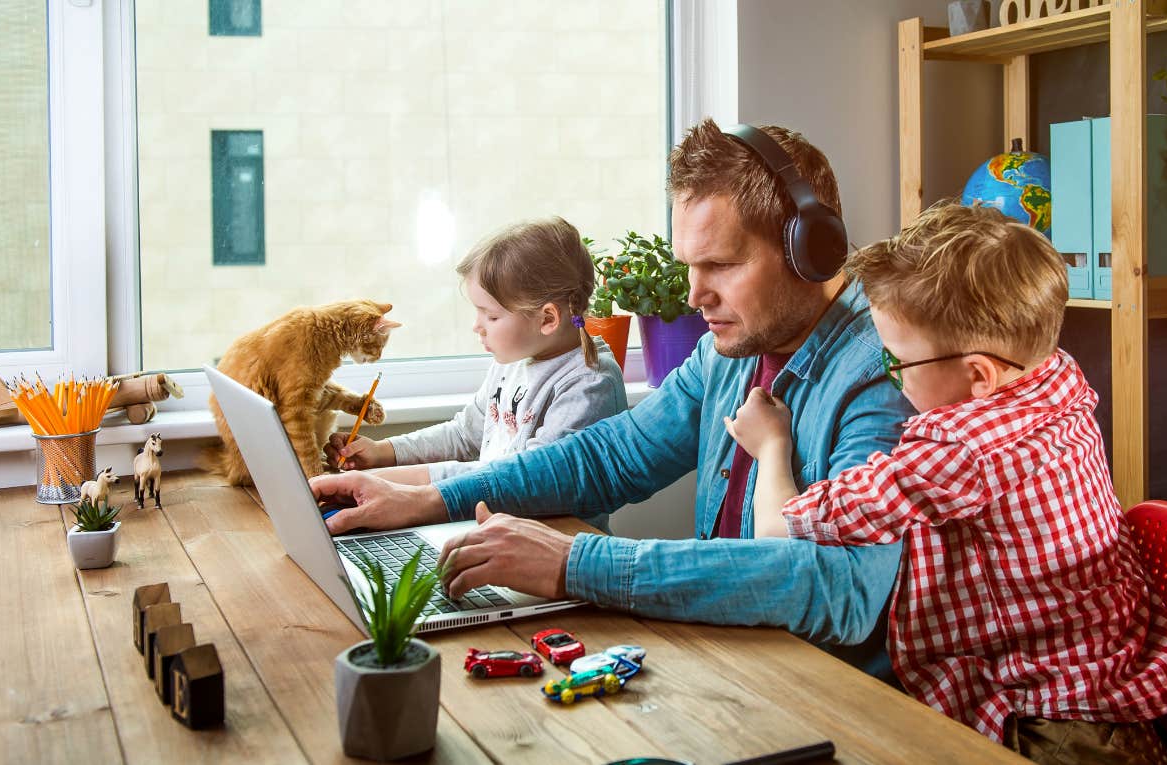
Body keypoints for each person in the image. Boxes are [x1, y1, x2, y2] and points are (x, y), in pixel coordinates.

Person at [308, 119, 916, 669]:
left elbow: (844, 587)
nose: (694, 294)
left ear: (810, 250)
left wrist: (575, 563)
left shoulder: (886, 370)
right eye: (688, 265)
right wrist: (425, 501)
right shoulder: (729, 353)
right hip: (735, 655)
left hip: (829, 689)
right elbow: (610, 457)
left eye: (721, 265)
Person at [725, 201, 1167, 764]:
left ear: (977, 374)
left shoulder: (960, 452)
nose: (888, 376)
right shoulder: (1052, 373)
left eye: (898, 363)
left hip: (1065, 733)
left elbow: (781, 531)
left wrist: (772, 447)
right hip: (1123, 689)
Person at [325, 217, 627, 509]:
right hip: (489, 526)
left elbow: (526, 480)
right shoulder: (514, 360)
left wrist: (394, 483)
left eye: (491, 316)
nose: (477, 326)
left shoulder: (589, 383)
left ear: (547, 318)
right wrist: (384, 453)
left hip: (548, 543)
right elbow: (464, 434)